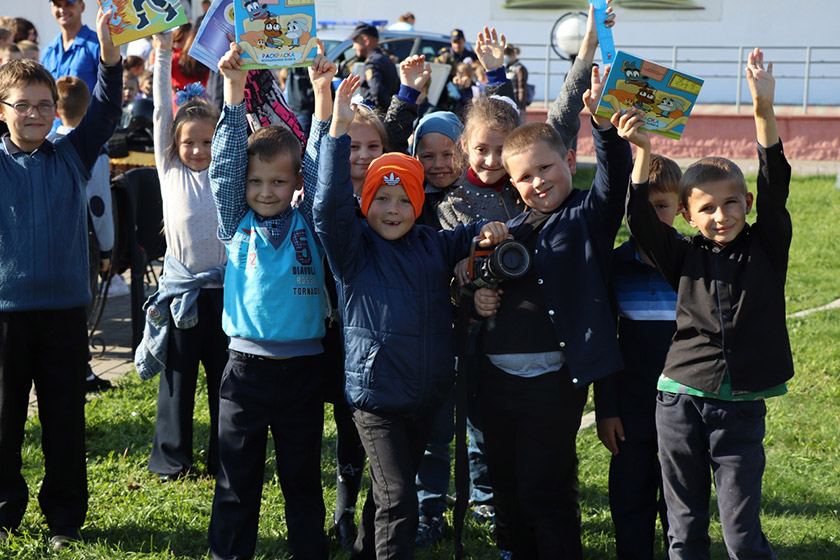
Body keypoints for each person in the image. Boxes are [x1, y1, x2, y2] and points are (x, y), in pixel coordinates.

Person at [314, 73, 508, 560]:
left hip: (426, 396)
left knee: (386, 494)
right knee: (399, 499)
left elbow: (469, 235)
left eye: (404, 200)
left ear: (419, 204)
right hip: (376, 399)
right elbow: (327, 204)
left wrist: (494, 227)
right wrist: (336, 131)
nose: (393, 209)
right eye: (381, 198)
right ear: (365, 203)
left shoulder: (432, 244)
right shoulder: (352, 250)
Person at [624, 48, 792, 560]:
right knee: (686, 526)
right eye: (707, 208)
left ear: (747, 204)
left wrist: (763, 110)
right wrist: (642, 152)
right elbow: (640, 220)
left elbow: (775, 181)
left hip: (741, 408)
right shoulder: (680, 254)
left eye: (731, 203)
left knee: (741, 534)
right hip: (678, 401)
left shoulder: (768, 246)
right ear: (687, 215)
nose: (721, 216)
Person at [471, 64, 639, 558]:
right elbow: (470, 287)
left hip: (553, 383)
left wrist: (603, 128)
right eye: (525, 176)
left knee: (545, 487)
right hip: (495, 381)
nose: (538, 182)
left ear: (568, 159)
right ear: (511, 183)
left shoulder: (587, 215)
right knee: (505, 484)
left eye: (546, 168)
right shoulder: (511, 230)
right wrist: (477, 284)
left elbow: (614, 182)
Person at [205, 40, 335, 560]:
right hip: (244, 373)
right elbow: (225, 165)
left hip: (304, 372)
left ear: (296, 182)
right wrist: (233, 90)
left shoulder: (312, 222)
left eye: (279, 181)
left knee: (301, 480)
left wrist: (322, 97)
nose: (265, 191)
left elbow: (323, 171)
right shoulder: (234, 222)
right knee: (236, 482)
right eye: (256, 181)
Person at [0, 8, 122, 549]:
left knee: (64, 421)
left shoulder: (72, 154)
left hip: (65, 315)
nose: (34, 114)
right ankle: (4, 510)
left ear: (56, 111)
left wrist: (110, 58)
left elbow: (107, 109)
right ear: (2, 111)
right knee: (4, 422)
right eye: (22, 106)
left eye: (44, 106)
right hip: (6, 317)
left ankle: (65, 518)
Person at [136, 31, 228, 484]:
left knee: (225, 385)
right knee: (177, 381)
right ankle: (172, 460)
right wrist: (162, 51)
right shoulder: (169, 168)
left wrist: (226, 61)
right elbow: (160, 110)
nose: (198, 150)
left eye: (207, 142)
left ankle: (225, 458)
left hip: (225, 295)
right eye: (190, 142)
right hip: (181, 295)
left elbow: (228, 107)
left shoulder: (228, 171)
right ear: (175, 144)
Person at [595, 153, 682, 560]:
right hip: (630, 409)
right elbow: (605, 341)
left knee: (680, 498)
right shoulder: (614, 266)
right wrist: (606, 409)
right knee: (630, 497)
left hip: (685, 408)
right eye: (641, 206)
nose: (650, 216)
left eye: (661, 205)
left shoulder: (694, 262)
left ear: (681, 207)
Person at [51, 75, 115, 394]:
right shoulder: (93, 148)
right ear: (89, 107)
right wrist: (107, 249)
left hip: (56, 236)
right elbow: (99, 204)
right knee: (83, 305)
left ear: (55, 109)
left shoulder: (48, 144)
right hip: (84, 236)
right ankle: (82, 370)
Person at [41, 0, 100, 94]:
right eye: (57, 5)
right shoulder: (49, 51)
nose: (62, 10)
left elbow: (113, 86)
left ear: (82, 7)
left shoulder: (97, 45)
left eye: (68, 5)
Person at [348, 23, 399, 112]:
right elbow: (397, 88)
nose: (353, 47)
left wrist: (378, 113)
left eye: (355, 42)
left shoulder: (372, 63)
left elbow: (377, 91)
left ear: (366, 41)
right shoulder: (386, 59)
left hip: (377, 115)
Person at [503, 44, 529, 121]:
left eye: (506, 54)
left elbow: (522, 88)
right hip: (508, 104)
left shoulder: (519, 68)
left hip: (517, 104)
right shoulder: (507, 68)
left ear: (512, 54)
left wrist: (521, 106)